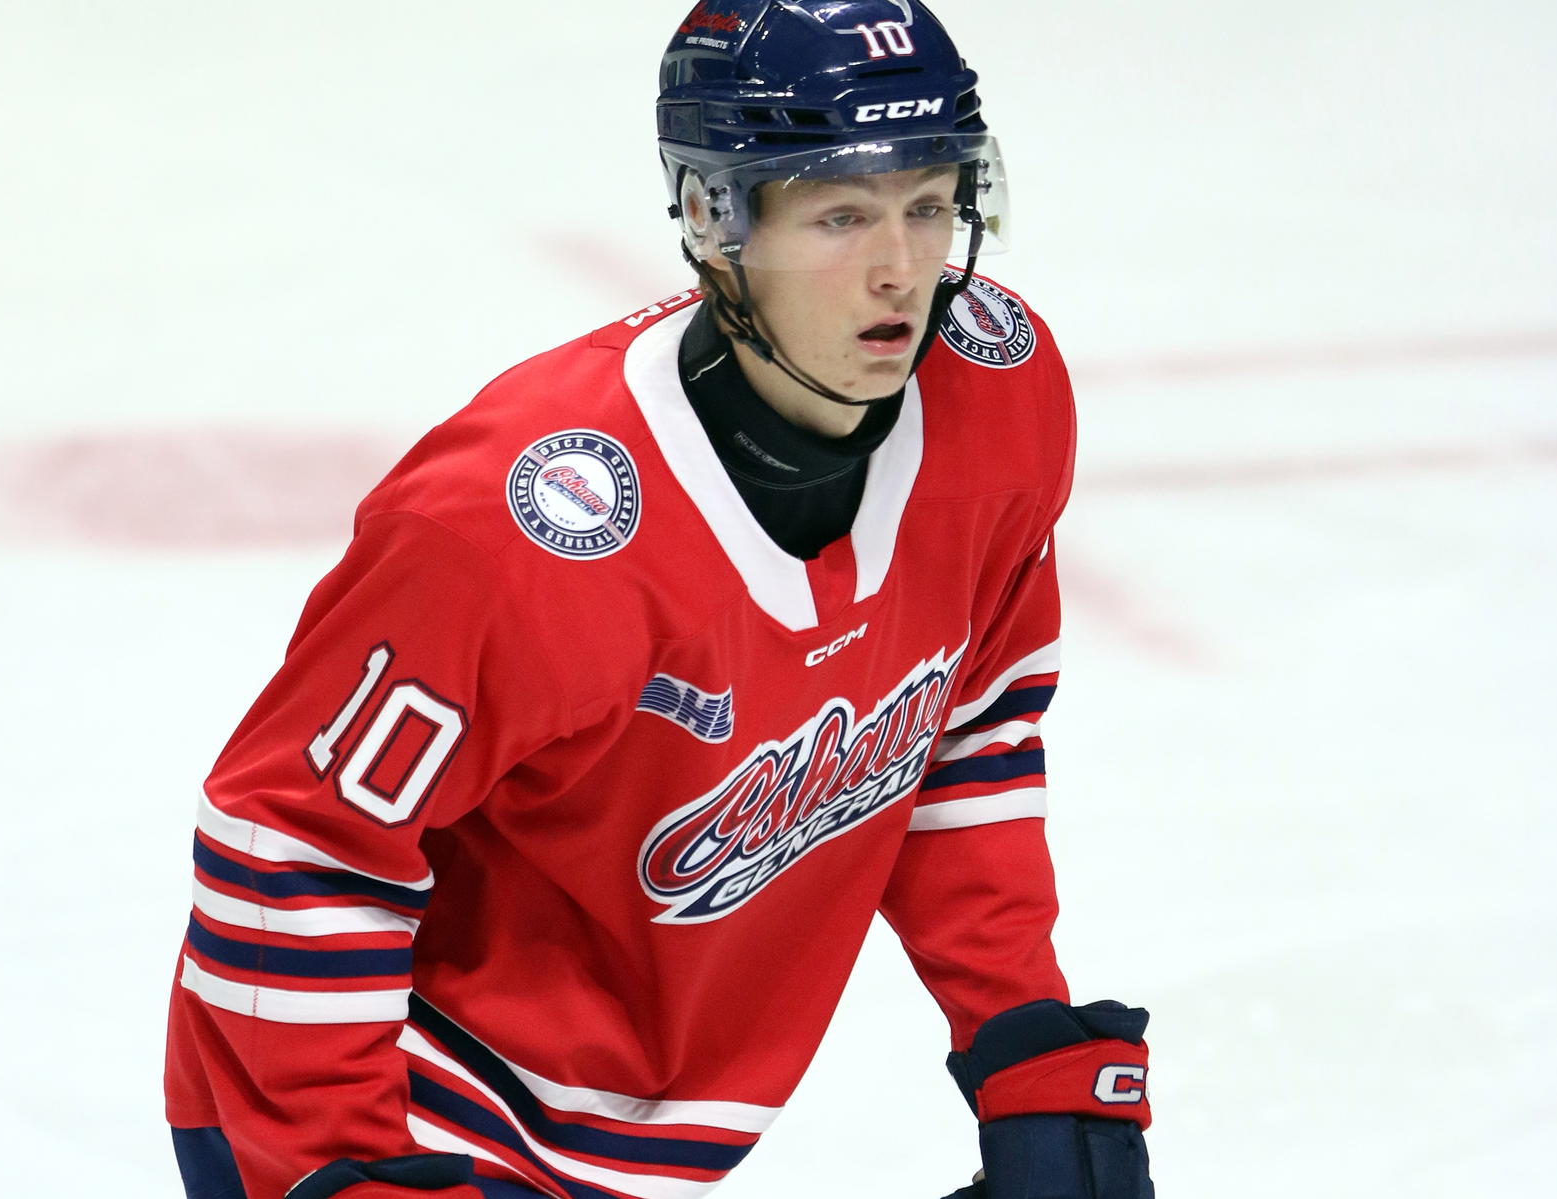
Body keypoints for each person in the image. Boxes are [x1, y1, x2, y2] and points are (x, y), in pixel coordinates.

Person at [163, 3, 1156, 1197]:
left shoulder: (1001, 401)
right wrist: (344, 1163)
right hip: (393, 1105)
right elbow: (294, 844)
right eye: (840, 214)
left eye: (928, 202)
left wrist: (1023, 1040)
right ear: (708, 217)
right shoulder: (518, 522)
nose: (900, 267)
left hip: (649, 1136)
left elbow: (965, 727)